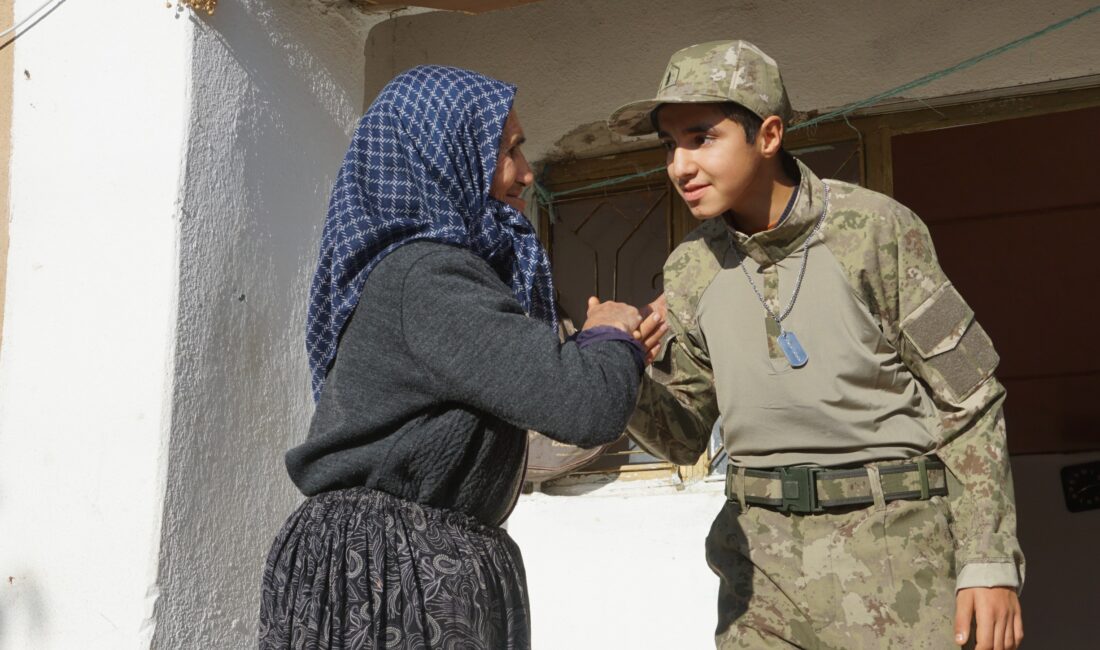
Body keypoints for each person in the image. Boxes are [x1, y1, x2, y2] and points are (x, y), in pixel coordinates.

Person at [609, 41, 1024, 650]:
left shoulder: (874, 230)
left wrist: (988, 563)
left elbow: (970, 400)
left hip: (896, 562)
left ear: (769, 135)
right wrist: (611, 364)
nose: (679, 166)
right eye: (670, 145)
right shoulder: (690, 270)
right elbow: (684, 433)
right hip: (760, 578)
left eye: (702, 138)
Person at [258, 65, 663, 650]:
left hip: (403, 561)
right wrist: (607, 336)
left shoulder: (428, 278)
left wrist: (610, 354)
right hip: (389, 576)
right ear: (439, 156)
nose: (525, 174)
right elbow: (583, 405)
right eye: (509, 150)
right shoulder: (426, 276)